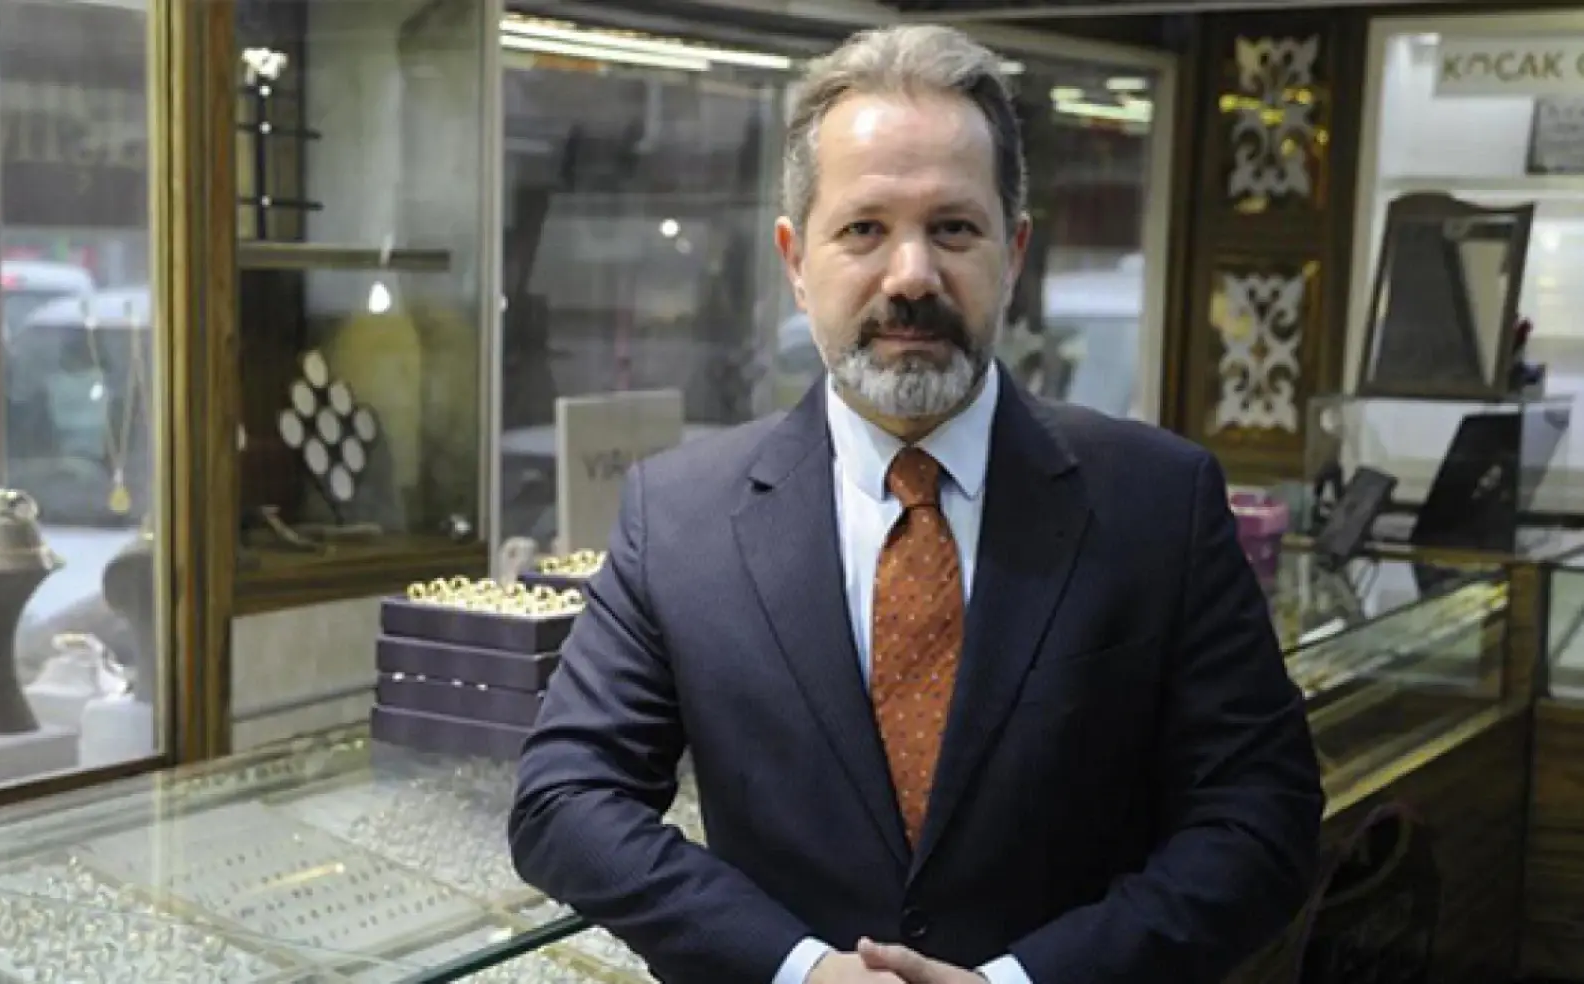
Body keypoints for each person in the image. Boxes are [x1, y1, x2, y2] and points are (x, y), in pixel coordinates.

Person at [509, 23, 1323, 984]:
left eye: (954, 229)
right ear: (795, 261)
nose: (911, 276)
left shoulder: (1158, 502)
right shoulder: (679, 517)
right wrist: (799, 970)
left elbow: (1262, 816)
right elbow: (565, 800)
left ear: (1014, 251)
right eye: (864, 229)